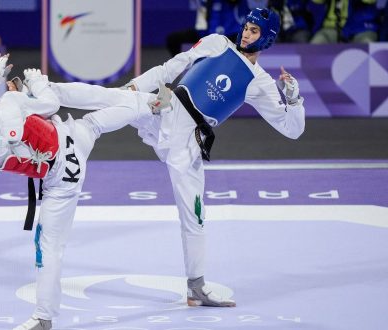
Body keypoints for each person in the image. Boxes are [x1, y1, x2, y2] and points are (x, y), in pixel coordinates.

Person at [50, 7, 305, 308]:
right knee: (114, 97)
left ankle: (196, 286)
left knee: (195, 218)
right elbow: (172, 66)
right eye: (246, 27)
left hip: (190, 143)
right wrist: (135, 86)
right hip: (166, 108)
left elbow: (293, 129)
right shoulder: (217, 43)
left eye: (254, 31)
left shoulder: (259, 82)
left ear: (268, 38)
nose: (246, 34)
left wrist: (292, 97)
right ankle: (45, 93)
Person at [0, 55, 154, 330]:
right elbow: (50, 104)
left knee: (48, 248)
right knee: (94, 122)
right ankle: (153, 104)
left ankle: (44, 317)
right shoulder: (10, 103)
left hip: (62, 177)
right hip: (69, 139)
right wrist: (37, 82)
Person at [310, 0, 379, 43]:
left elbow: (370, 0)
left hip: (361, 27)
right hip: (330, 28)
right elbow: (316, 1)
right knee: (317, 43)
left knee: (367, 43)